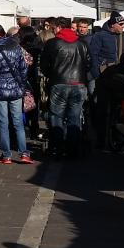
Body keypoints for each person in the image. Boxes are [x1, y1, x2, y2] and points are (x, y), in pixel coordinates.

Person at [40, 17, 90, 157]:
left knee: (57, 116)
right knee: (74, 117)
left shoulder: (52, 43)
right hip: (78, 83)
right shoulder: (82, 43)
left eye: (54, 28)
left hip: (59, 83)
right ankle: (72, 149)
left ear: (59, 28)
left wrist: (53, 75)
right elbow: (89, 64)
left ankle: (57, 146)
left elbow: (44, 65)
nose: (53, 31)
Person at [0, 24, 32, 164]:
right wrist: (21, 85)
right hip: (15, 89)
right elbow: (23, 69)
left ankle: (6, 155)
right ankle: (24, 153)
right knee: (18, 122)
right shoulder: (16, 47)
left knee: (3, 123)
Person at [89, 11, 124, 148]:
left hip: (120, 78)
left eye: (123, 23)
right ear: (112, 24)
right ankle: (101, 139)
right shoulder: (100, 36)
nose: (123, 26)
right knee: (102, 110)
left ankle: (117, 138)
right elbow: (93, 56)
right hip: (103, 78)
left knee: (118, 111)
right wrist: (96, 74)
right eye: (120, 23)